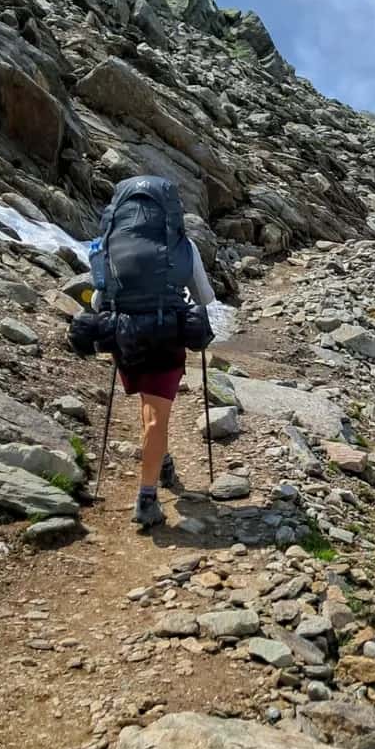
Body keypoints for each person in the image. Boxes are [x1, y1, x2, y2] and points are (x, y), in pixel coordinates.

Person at [88, 177, 216, 529]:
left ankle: (163, 461)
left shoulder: (109, 244)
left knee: (149, 406)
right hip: (165, 338)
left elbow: (98, 298)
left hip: (124, 338)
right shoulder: (182, 246)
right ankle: (147, 498)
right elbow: (204, 297)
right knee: (158, 415)